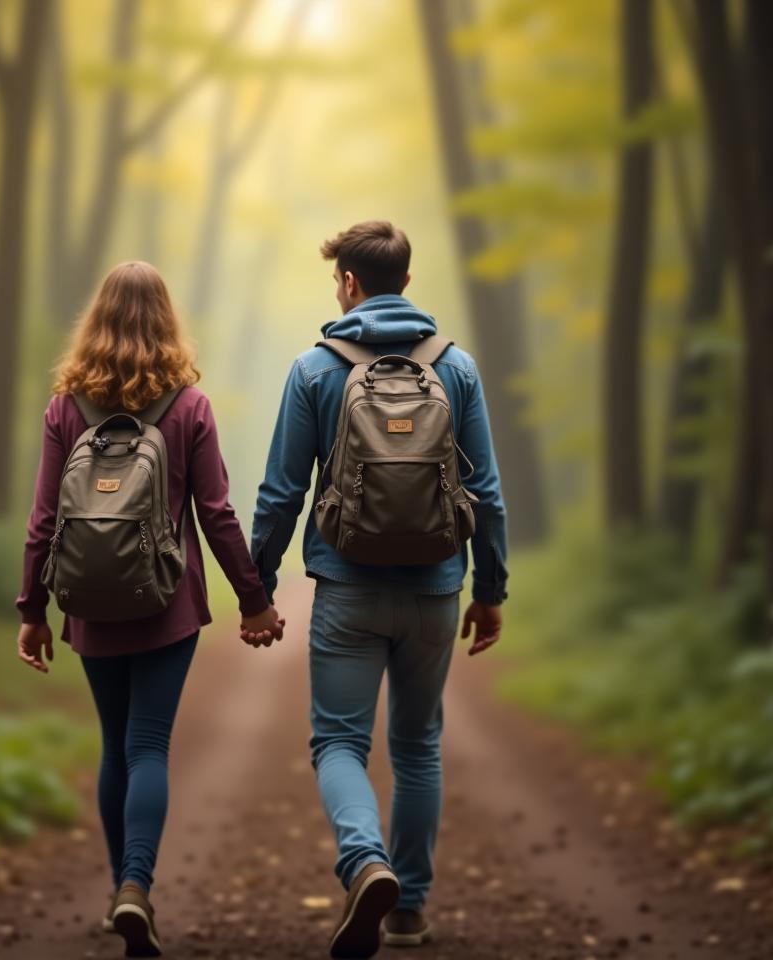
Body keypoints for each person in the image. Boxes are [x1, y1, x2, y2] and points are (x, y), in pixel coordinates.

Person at [250, 221, 508, 958]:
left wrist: (257, 589)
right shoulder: (454, 368)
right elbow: (484, 490)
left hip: (347, 586)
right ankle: (410, 911)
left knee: (338, 740)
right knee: (419, 745)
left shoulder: (314, 369)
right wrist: (490, 588)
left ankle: (366, 861)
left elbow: (280, 493)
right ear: (407, 280)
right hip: (434, 588)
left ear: (350, 284)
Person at [15, 261, 285, 958]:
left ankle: (118, 894)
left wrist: (32, 610)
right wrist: (253, 601)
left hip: (89, 605)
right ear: (166, 320)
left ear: (96, 320)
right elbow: (217, 513)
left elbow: (44, 519)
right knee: (149, 746)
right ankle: (138, 886)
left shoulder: (65, 406)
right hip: (166, 602)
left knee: (116, 746)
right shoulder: (189, 405)